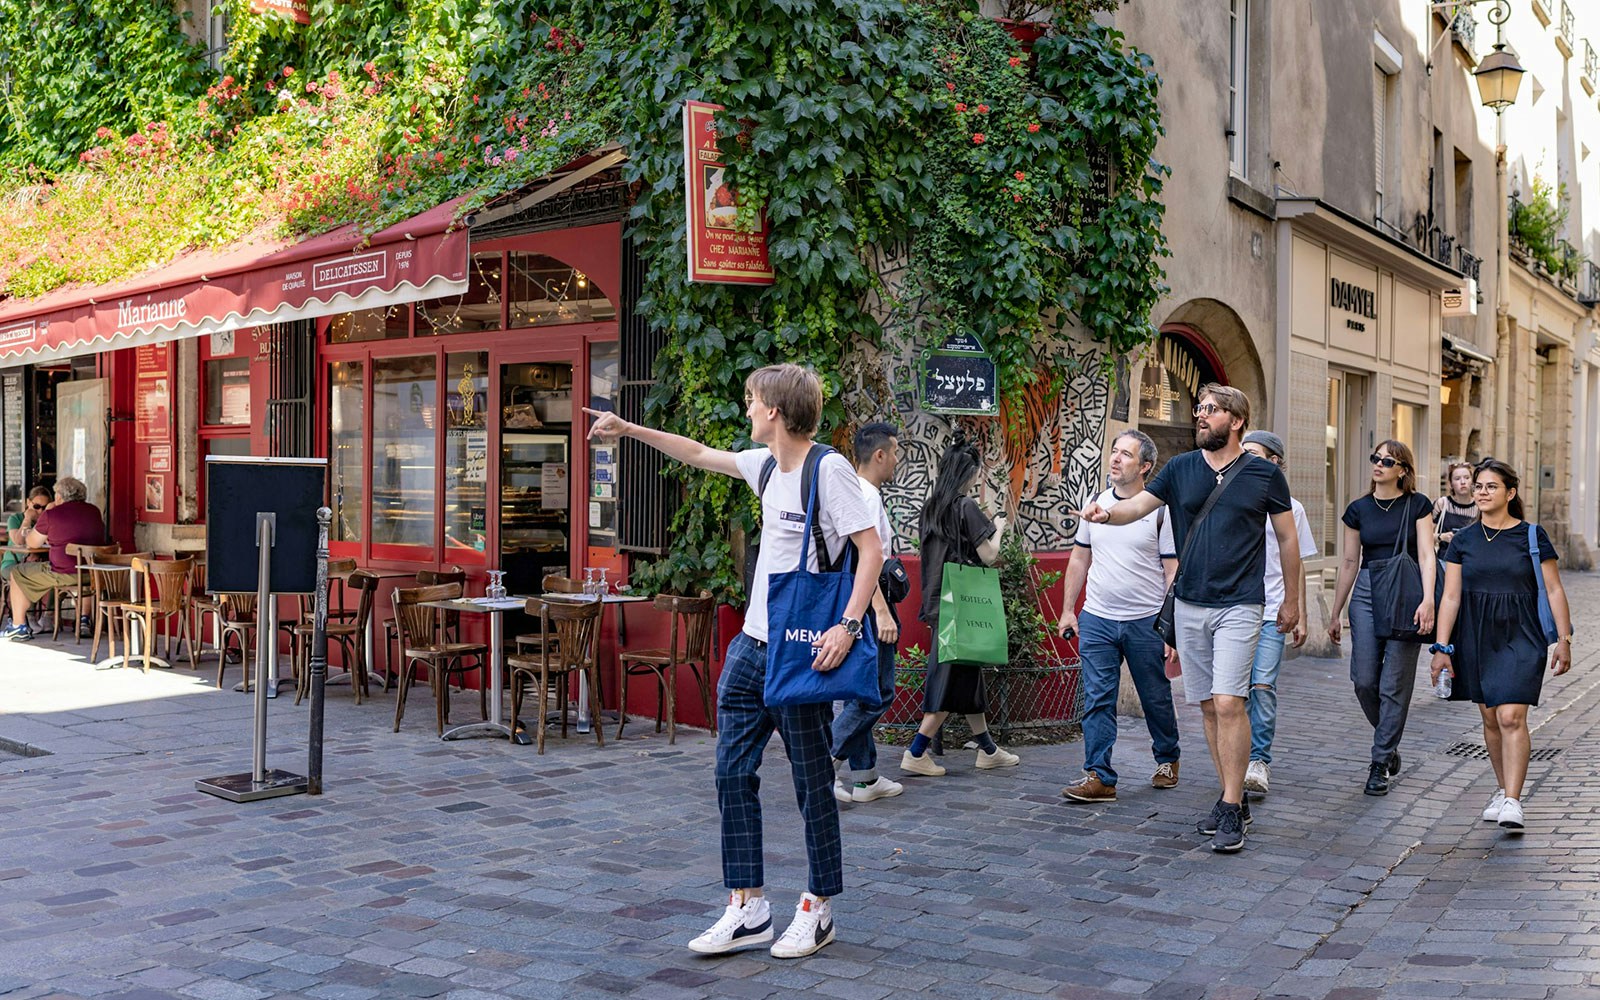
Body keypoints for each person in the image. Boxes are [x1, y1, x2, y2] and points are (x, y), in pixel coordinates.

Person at [584, 363, 882, 960]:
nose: (745, 409)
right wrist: (628, 428)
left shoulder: (830, 471)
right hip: (751, 645)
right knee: (730, 772)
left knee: (810, 782)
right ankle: (748, 907)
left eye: (750, 400)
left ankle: (819, 906)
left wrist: (847, 627)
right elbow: (695, 452)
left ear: (774, 410)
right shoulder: (767, 466)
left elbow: (870, 550)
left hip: (803, 652)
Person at [1077, 385, 1300, 853]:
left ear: (1235, 421)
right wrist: (1105, 513)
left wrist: (1292, 600)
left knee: (1227, 702)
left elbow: (1287, 540)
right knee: (1205, 705)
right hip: (1189, 603)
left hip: (1240, 603)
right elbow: (1136, 507)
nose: (1200, 416)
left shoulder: (1263, 475)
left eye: (1211, 411)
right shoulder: (1180, 469)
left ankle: (1234, 806)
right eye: (1199, 409)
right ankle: (1228, 798)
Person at [1429, 460, 1573, 832]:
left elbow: (1554, 588)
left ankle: (1513, 799)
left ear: (1510, 493)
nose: (1482, 492)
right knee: (1490, 717)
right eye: (1478, 486)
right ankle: (1501, 787)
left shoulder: (1532, 536)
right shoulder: (1463, 540)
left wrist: (1563, 638)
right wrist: (1441, 648)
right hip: (1475, 634)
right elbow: (1451, 597)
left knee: (1511, 716)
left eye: (1491, 486)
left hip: (1521, 633)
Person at [1057, 429, 1181, 802]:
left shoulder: (1159, 511)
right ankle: (1099, 775)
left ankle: (1167, 758)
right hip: (1097, 617)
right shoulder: (1094, 503)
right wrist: (1068, 610)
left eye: (1125, 455)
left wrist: (1169, 628)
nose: (1115, 459)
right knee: (1097, 697)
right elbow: (1080, 558)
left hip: (1145, 620)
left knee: (1155, 696)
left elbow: (1171, 569)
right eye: (1113, 452)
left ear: (1145, 466)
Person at [899, 438, 1021, 777]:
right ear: (969, 473)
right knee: (949, 677)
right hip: (962, 604)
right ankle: (917, 751)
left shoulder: (932, 507)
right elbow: (989, 555)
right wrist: (998, 528)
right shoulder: (965, 506)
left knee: (967, 676)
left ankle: (988, 750)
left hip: (941, 600)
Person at [1326, 439, 1436, 796]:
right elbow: (1348, 562)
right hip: (1367, 592)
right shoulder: (1358, 509)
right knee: (1364, 679)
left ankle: (1379, 762)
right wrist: (1335, 610)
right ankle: (1388, 741)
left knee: (1394, 685)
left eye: (1387, 461)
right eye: (1376, 458)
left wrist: (1429, 600)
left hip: (1406, 592)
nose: (1379, 464)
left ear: (1402, 470)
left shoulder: (1418, 505)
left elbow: (1426, 555)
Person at [1237, 431, 1318, 796]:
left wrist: (1296, 607)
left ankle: (1259, 760)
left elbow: (1295, 562)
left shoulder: (1291, 507)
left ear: (1273, 462)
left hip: (1271, 609)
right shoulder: (1233, 500)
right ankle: (1234, 757)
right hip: (1234, 606)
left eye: (1252, 453)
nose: (1244, 458)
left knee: (1263, 685)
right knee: (1233, 690)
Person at [831, 421, 905, 805]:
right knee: (877, 694)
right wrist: (881, 612)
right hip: (871, 604)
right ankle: (826, 759)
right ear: (879, 455)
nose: (896, 459)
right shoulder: (867, 496)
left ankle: (866, 777)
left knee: (861, 690)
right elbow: (866, 556)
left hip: (855, 603)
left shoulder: (854, 490)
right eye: (894, 452)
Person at [3, 477, 104, 641]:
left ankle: (18, 626)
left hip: (63, 573)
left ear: (59, 497)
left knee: (17, 572)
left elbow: (31, 543)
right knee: (59, 569)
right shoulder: (94, 511)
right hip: (93, 574)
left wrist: (32, 526)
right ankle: (82, 619)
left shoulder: (53, 514)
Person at [2, 486, 53, 583]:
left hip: (40, 564)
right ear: (28, 502)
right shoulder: (15, 518)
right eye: (37, 507)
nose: (40, 511)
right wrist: (27, 519)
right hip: (13, 563)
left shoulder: (49, 520)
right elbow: (19, 541)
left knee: (53, 577)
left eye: (44, 508)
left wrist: (44, 520)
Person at [1432, 461, 1478, 554]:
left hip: (1471, 560)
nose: (1463, 482)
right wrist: (1442, 537)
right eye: (1457, 478)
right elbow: (1424, 536)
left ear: (1472, 481)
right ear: (1451, 484)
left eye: (1467, 478)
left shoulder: (1479, 506)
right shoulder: (1442, 504)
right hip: (1445, 560)